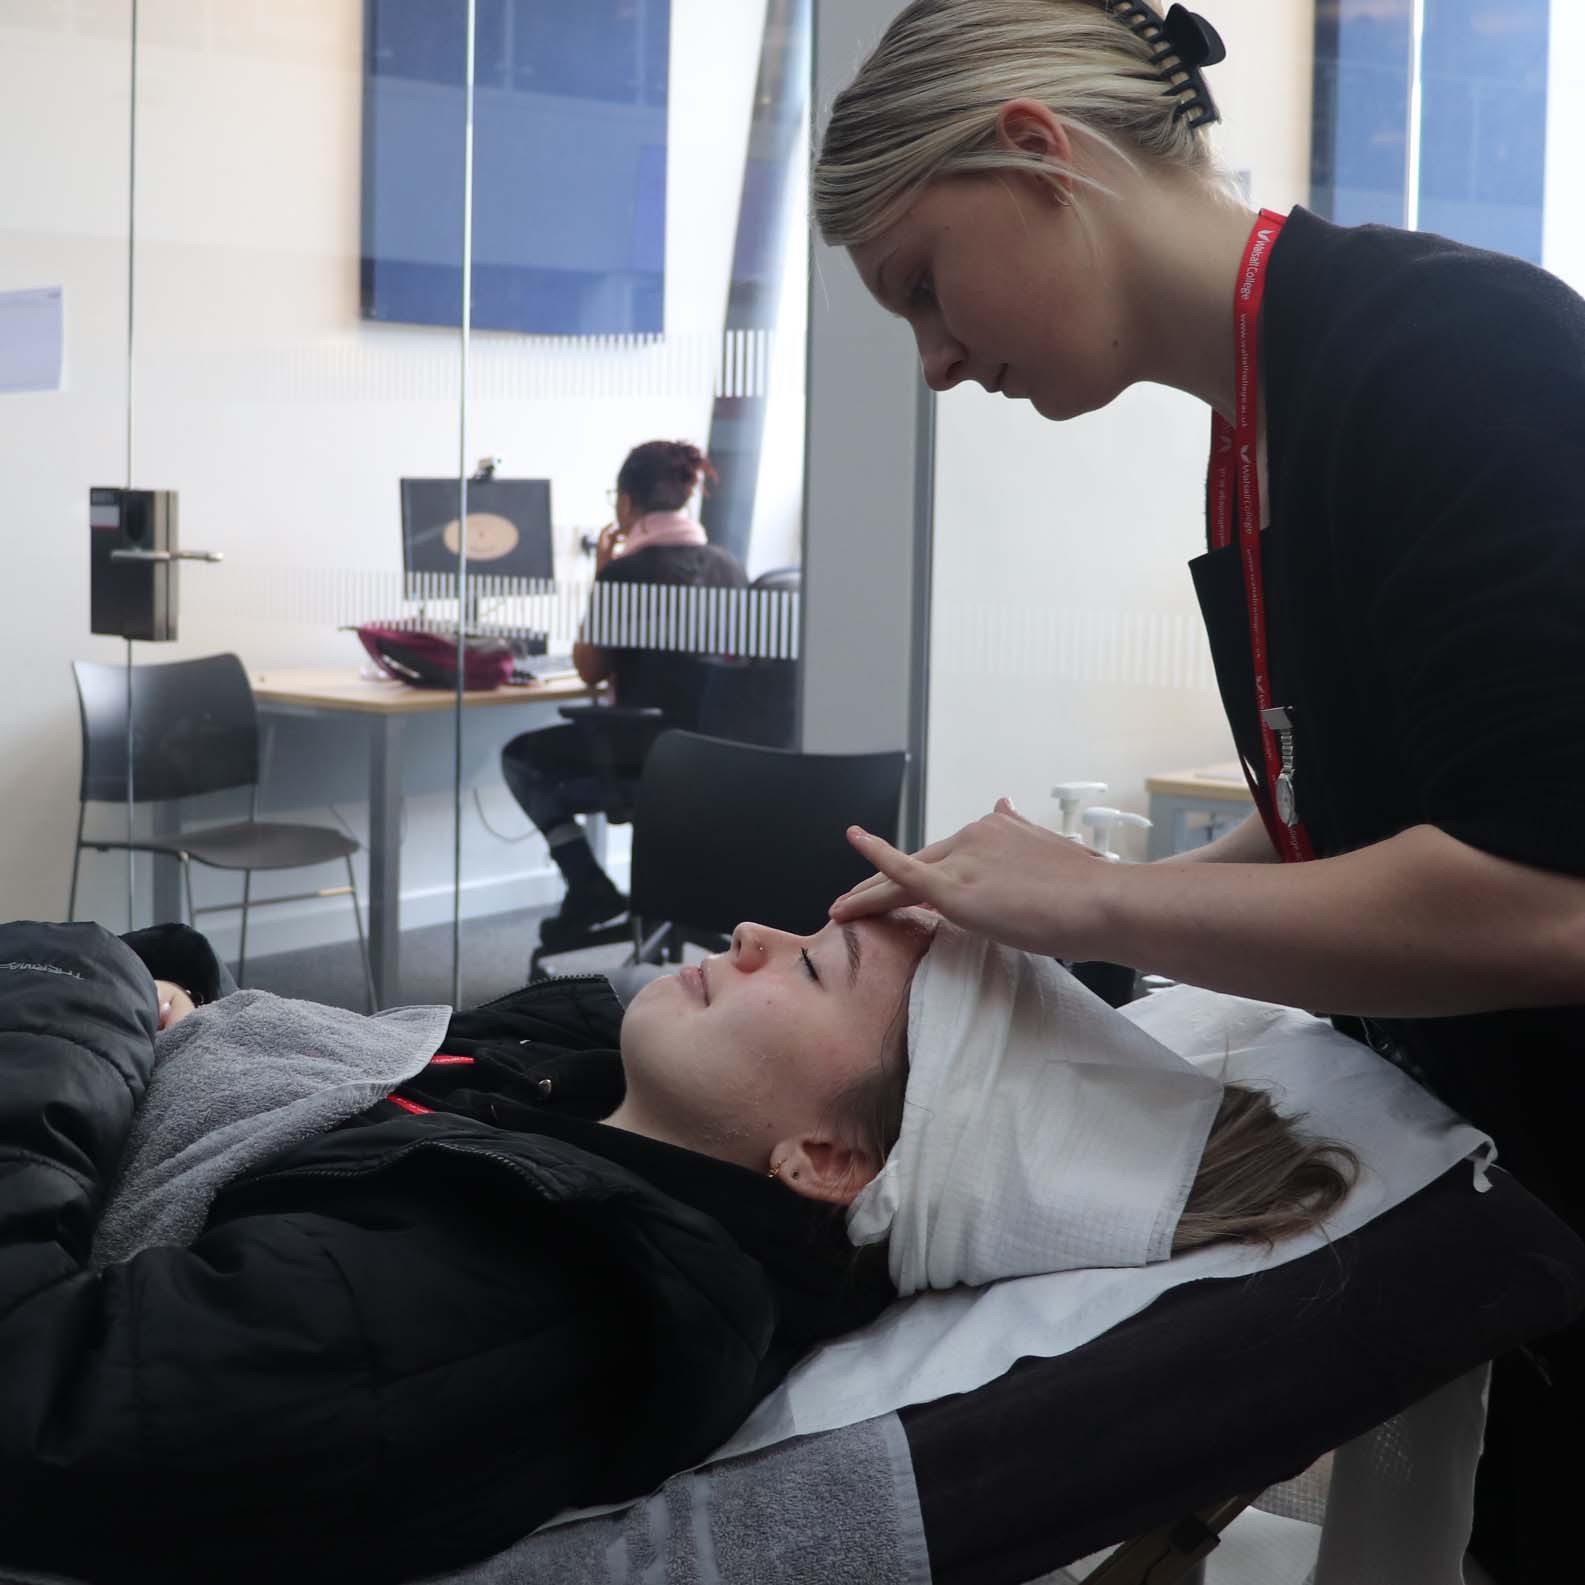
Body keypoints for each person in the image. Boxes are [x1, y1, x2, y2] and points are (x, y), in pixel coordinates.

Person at [813, 3, 1585, 1575]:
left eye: (923, 286)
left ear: (1036, 151)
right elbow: (1347, 819)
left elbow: (1547, 895)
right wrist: (1057, 918)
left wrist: (1097, 901)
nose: (937, 364)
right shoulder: (1268, 419)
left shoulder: (1449, 356)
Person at [1, 907, 1349, 1584]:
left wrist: (79, 983)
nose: (753, 934)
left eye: (810, 968)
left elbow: (34, 1391)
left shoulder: (501, 1303)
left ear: (827, 1161)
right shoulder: (588, 1091)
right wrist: (168, 989)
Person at [500, 441, 747, 953]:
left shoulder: (625, 573)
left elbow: (590, 669)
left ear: (627, 503)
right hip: (716, 760)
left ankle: (588, 886)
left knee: (520, 758)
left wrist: (601, 577)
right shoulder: (728, 566)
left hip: (644, 759)